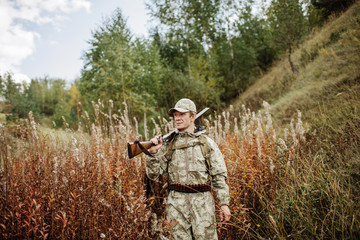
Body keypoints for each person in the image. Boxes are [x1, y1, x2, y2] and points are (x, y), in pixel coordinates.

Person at [146, 98, 231, 239]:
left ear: (193, 116)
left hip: (203, 207)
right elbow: (154, 175)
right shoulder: (168, 145)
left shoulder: (206, 144)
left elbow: (219, 176)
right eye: (175, 115)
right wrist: (153, 153)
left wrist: (224, 204)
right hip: (176, 208)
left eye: (182, 114)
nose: (177, 118)